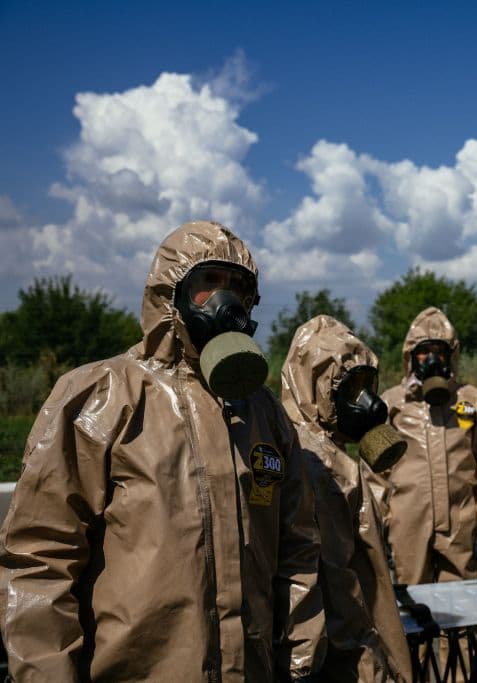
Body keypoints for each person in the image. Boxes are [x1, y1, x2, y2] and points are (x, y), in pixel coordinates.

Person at [0, 221, 325, 681]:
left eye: (237, 288)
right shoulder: (102, 398)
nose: (225, 301)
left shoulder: (264, 414)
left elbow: (298, 548)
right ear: (170, 293)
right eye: (208, 283)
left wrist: (301, 663)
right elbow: (41, 557)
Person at [280, 315, 413, 683]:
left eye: (366, 386)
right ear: (316, 385)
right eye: (350, 388)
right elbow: (327, 577)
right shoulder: (312, 460)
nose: (367, 402)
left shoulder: (327, 453)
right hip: (339, 650)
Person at [377, 306, 477, 584]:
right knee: (413, 600)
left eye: (439, 351)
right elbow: (374, 472)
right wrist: (378, 524)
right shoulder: (392, 403)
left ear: (451, 355)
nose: (432, 359)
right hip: (408, 523)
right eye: (424, 351)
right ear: (411, 355)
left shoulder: (472, 401)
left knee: (463, 600)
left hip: (461, 524)